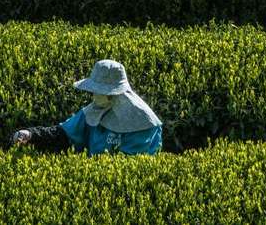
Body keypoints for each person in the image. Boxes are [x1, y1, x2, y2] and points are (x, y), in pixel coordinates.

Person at [12, 59, 163, 155]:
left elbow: (129, 165)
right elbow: (63, 134)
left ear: (112, 94)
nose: (92, 95)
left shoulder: (144, 123)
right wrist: (31, 134)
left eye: (97, 91)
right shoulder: (95, 109)